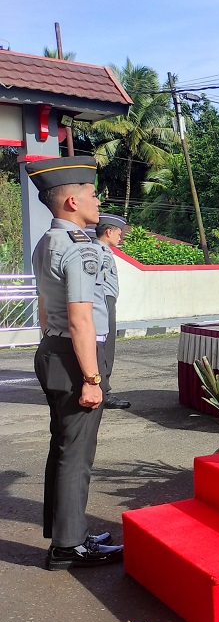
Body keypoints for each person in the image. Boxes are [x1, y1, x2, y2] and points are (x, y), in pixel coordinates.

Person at [25, 155, 124, 570]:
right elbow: (81, 317)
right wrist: (92, 377)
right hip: (75, 355)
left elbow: (46, 309)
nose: (97, 201)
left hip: (54, 348)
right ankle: (69, 545)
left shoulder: (46, 242)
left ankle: (67, 531)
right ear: (71, 202)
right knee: (76, 452)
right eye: (91, 193)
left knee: (63, 446)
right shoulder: (78, 248)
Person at [94, 213, 131, 408]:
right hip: (103, 301)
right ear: (108, 232)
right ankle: (104, 392)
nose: (120, 237)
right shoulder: (99, 251)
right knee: (105, 347)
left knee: (105, 346)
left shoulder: (102, 250)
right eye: (118, 233)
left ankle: (102, 389)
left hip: (106, 300)